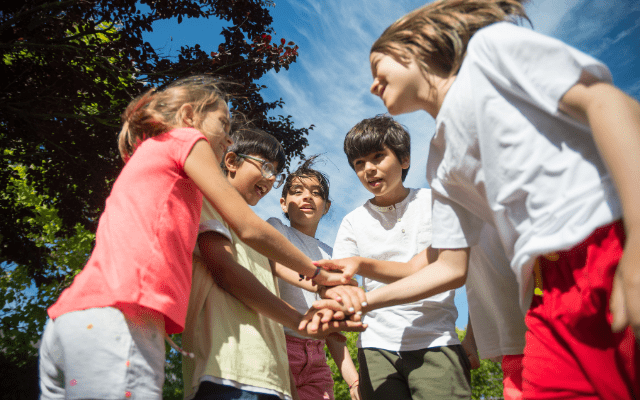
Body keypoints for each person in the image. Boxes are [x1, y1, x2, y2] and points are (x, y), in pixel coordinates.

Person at [313, 1, 640, 398]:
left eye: (378, 67)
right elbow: (446, 265)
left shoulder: (489, 52)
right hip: (544, 289)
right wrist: (363, 303)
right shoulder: (441, 158)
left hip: (608, 244)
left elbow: (610, 103)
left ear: (414, 49)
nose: (372, 84)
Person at [38, 75, 349, 399]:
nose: (229, 141)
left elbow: (260, 255)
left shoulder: (163, 169)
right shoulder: (185, 139)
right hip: (120, 318)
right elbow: (247, 227)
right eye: (224, 125)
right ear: (189, 116)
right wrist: (318, 273)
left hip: (77, 315)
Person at [182, 129, 365, 400]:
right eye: (266, 167)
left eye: (275, 173)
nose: (270, 179)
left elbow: (288, 273)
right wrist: (306, 308)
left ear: (327, 206)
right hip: (230, 364)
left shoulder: (322, 251)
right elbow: (234, 270)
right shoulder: (256, 226)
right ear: (231, 161)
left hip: (277, 363)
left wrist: (351, 377)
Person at [332, 115, 471, 399]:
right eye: (359, 164)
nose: (368, 169)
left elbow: (442, 270)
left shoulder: (436, 204)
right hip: (376, 347)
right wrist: (339, 292)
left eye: (378, 157)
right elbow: (339, 279)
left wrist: (472, 338)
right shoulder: (352, 221)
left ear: (405, 159)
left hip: (436, 338)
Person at [267, 157, 363, 400]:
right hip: (278, 346)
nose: (307, 197)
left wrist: (353, 381)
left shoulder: (332, 255)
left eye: (316, 193)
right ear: (283, 203)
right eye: (297, 192)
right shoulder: (277, 229)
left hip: (317, 359)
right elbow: (275, 263)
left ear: (327, 206)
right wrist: (322, 281)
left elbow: (332, 329)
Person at [461, 224, 527, 400]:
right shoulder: (451, 209)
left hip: (548, 325)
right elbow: (479, 283)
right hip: (513, 344)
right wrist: (470, 338)